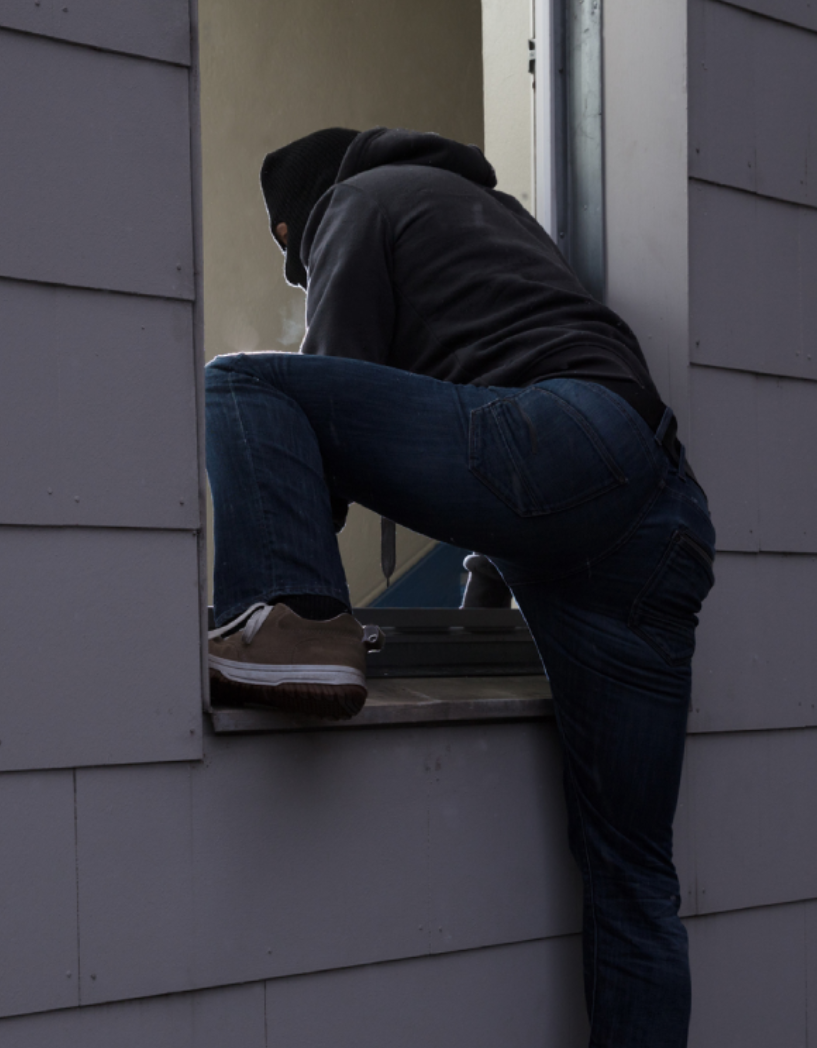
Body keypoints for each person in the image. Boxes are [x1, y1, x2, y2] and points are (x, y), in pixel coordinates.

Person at [204, 126, 715, 1047]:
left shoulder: (357, 204)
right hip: (660, 511)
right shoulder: (496, 216)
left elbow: (328, 389)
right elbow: (491, 426)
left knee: (243, 387)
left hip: (563, 447)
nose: (303, 271)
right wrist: (484, 588)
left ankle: (296, 625)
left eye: (296, 258)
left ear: (301, 220)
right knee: (632, 875)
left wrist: (283, 562)